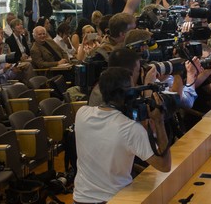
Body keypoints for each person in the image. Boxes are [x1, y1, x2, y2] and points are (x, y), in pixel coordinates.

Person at [73, 63, 171, 203]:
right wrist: (159, 122)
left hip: (79, 200)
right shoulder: (130, 129)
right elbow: (164, 165)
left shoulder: (81, 114)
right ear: (127, 94)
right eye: (133, 90)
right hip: (115, 200)